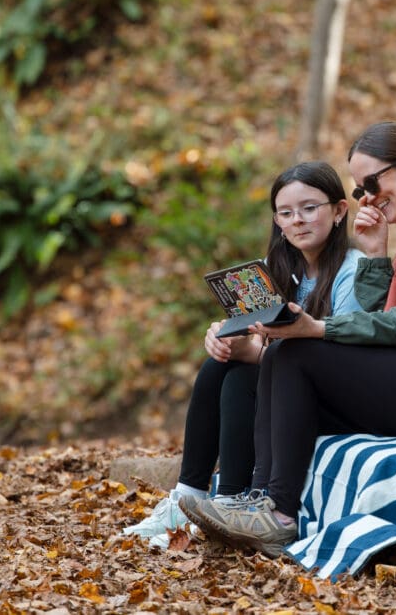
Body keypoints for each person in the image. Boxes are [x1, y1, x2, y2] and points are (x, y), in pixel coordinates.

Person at [179, 122, 396, 556]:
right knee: (260, 367)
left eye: (372, 183)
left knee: (298, 353)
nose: (368, 198)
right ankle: (252, 497)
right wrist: (378, 254)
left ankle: (279, 514)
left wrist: (318, 328)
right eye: (360, 189)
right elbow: (388, 322)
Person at [124, 161, 364, 546]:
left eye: (309, 208)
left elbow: (345, 353)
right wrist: (229, 342)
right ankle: (193, 495)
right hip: (283, 387)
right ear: (277, 222)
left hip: (330, 395)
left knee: (243, 375)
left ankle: (232, 498)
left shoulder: (353, 271)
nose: (297, 221)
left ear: (338, 211)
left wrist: (256, 352)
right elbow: (264, 351)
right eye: (286, 213)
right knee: (221, 366)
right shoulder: (274, 270)